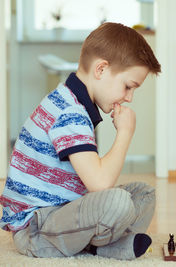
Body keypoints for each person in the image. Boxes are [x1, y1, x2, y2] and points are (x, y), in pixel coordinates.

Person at [0, 22, 161, 260]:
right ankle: (99, 246)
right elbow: (100, 183)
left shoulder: (72, 101)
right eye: (128, 87)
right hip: (36, 230)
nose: (129, 97)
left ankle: (97, 245)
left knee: (143, 194)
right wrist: (125, 133)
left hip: (62, 211)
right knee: (116, 202)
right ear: (101, 69)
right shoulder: (69, 112)